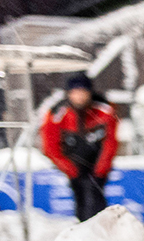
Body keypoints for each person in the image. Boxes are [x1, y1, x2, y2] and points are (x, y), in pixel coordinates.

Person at [40, 73, 119, 222]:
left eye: (83, 92)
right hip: (74, 168)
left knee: (96, 202)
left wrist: (100, 170)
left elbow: (110, 143)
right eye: (75, 93)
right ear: (69, 94)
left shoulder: (105, 111)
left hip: (98, 168)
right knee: (81, 202)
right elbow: (50, 147)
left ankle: (101, 233)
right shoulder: (57, 114)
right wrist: (71, 170)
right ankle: (84, 231)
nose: (79, 97)